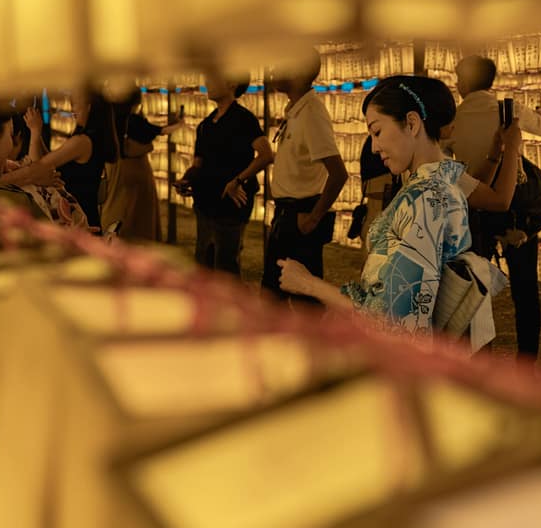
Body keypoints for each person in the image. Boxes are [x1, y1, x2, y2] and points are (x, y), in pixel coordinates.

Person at [277, 75, 471, 331]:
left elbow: (388, 316)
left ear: (411, 123)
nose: (374, 147)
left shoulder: (425, 199)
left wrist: (308, 284)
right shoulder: (440, 187)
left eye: (377, 132)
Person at [444, 54, 541, 358]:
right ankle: (526, 361)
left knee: (474, 288)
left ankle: (481, 355)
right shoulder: (509, 110)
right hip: (516, 212)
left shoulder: (453, 119)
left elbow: (443, 157)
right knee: (525, 290)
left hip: (476, 208)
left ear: (465, 82)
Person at [261, 49, 348, 299]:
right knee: (276, 293)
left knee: (301, 297)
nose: (273, 68)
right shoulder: (296, 111)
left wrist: (312, 219)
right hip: (286, 215)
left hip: (299, 217)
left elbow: (339, 174)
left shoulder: (311, 113)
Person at [177, 73, 272, 276]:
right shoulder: (206, 124)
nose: (207, 82)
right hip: (205, 202)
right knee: (204, 262)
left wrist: (238, 180)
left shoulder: (244, 119)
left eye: (213, 77)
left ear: (232, 82)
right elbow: (198, 163)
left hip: (231, 204)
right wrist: (187, 179)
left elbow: (265, 155)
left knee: (226, 265)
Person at [27, 91, 118, 232]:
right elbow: (50, 160)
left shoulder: (81, 142)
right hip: (84, 214)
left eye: (76, 103)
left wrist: (34, 131)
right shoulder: (90, 138)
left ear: (89, 107)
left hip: (79, 221)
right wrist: (38, 134)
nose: (72, 109)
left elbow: (35, 168)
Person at [101, 90, 183, 241]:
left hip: (115, 171)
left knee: (117, 211)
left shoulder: (109, 121)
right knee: (140, 217)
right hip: (137, 170)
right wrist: (179, 123)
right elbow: (162, 131)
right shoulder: (135, 121)